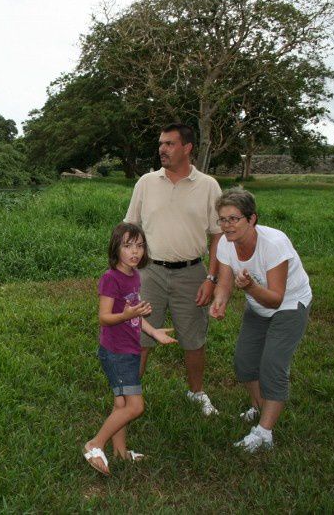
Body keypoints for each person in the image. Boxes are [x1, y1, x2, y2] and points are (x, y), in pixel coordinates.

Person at [123, 123, 223, 416]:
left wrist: (212, 278)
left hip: (192, 273)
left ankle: (197, 392)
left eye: (169, 144)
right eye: (161, 144)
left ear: (187, 148)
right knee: (139, 335)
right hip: (149, 272)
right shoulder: (146, 182)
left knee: (193, 338)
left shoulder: (208, 185)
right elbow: (131, 227)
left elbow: (218, 235)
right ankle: (130, 397)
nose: (162, 149)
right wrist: (126, 268)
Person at [210, 187, 312, 452]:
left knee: (272, 365)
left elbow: (276, 298)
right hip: (257, 306)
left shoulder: (274, 244)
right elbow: (224, 281)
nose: (227, 225)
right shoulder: (225, 243)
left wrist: (251, 288)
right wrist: (219, 302)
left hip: (289, 304)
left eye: (234, 219)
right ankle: (259, 406)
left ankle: (265, 433)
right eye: (222, 219)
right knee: (244, 364)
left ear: (251, 219)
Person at [83, 222, 177, 475]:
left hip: (129, 349)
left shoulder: (134, 276)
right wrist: (125, 314)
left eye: (140, 246)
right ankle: (95, 443)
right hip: (116, 353)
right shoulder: (111, 278)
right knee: (135, 407)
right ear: (116, 248)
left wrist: (153, 331)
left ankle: (121, 453)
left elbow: (134, 314)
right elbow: (104, 317)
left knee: (121, 404)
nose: (135, 252)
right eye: (128, 246)